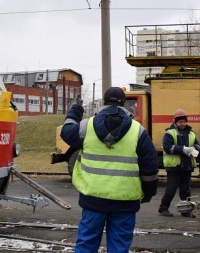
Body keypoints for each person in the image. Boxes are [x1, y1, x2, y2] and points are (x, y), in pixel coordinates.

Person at [60, 87, 159, 253]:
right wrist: (148, 192)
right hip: (125, 201)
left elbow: (66, 132)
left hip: (93, 199)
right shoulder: (138, 131)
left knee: (86, 243)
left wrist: (76, 109)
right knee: (119, 247)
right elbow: (150, 167)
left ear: (104, 103)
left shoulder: (87, 126)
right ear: (124, 104)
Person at [158, 109, 200, 217]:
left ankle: (185, 210)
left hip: (186, 166)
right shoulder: (169, 133)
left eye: (184, 121)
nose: (183, 124)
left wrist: (195, 148)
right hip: (174, 166)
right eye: (180, 122)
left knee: (185, 191)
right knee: (171, 189)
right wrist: (183, 149)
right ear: (175, 122)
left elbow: (197, 144)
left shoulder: (191, 133)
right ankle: (163, 208)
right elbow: (167, 148)